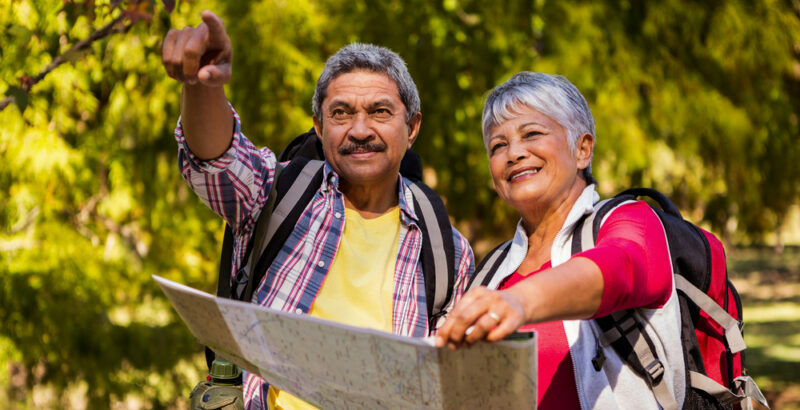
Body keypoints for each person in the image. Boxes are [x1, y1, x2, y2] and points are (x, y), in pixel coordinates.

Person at [161, 11, 474, 410]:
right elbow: (216, 162)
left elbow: (448, 385)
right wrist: (203, 85)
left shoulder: (447, 251)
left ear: (411, 128)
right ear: (319, 127)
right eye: (341, 113)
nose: (360, 130)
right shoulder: (275, 193)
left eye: (380, 111)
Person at [435, 72, 685, 409]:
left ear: (582, 149)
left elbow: (617, 269)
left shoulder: (631, 221)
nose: (514, 153)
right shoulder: (491, 271)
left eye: (532, 134)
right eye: (498, 146)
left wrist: (520, 302)